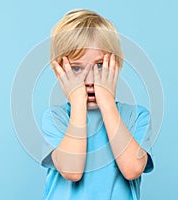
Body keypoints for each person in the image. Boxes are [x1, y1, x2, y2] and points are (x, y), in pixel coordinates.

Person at [40, 9, 154, 200]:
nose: (90, 79)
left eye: (100, 65)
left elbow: (132, 169)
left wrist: (107, 103)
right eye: (76, 68)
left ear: (116, 64)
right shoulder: (56, 118)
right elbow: (72, 170)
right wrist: (77, 103)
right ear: (59, 71)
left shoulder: (136, 116)